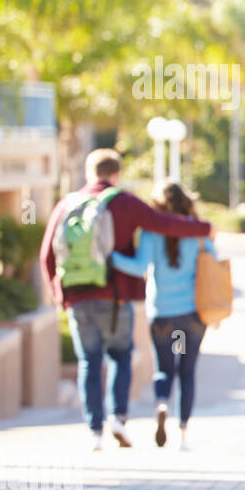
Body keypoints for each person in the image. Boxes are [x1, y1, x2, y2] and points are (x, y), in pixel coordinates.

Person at [40, 148, 215, 450]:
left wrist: (59, 294)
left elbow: (47, 255)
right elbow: (166, 224)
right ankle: (119, 417)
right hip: (118, 298)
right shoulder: (125, 203)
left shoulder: (67, 203)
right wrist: (205, 229)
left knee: (88, 363)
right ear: (117, 174)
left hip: (78, 298)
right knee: (121, 357)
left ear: (88, 173)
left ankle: (95, 431)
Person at [108, 183, 215, 451]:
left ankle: (162, 404)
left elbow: (138, 266)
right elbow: (212, 263)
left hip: (163, 315)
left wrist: (110, 258)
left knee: (164, 370)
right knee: (187, 372)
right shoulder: (197, 229)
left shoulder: (151, 232)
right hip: (193, 315)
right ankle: (184, 434)